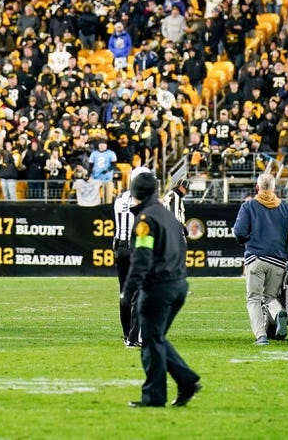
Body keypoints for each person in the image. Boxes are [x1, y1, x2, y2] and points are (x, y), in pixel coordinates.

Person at [120, 169, 201, 408]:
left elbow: (142, 258)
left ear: (136, 194)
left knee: (151, 342)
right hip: (178, 285)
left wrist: (128, 291)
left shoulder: (145, 220)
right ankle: (186, 381)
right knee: (156, 339)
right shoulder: (168, 217)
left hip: (158, 287)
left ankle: (154, 396)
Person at [232, 171, 288, 345]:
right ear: (274, 189)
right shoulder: (285, 207)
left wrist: (246, 242)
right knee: (271, 297)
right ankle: (278, 312)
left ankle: (261, 336)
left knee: (254, 299)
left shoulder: (248, 206)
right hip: (277, 261)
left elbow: (239, 232)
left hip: (255, 258)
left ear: (257, 187)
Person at [114, 167, 145, 347]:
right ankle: (135, 337)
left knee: (125, 293)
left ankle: (127, 335)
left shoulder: (120, 199)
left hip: (121, 249)